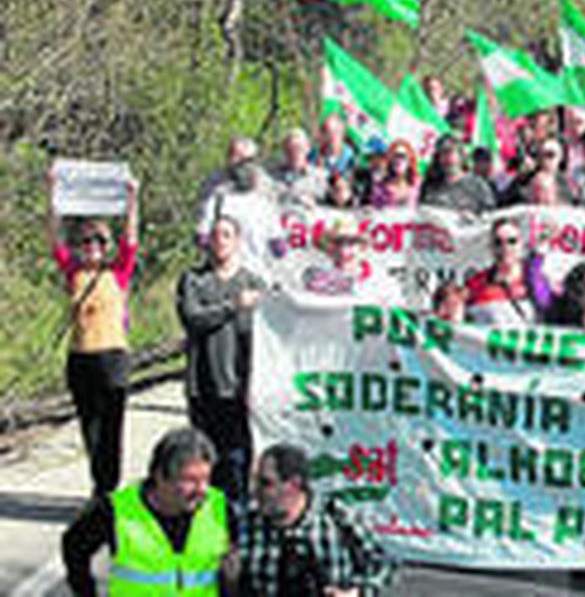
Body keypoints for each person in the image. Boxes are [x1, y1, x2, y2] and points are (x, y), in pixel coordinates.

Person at [46, 168, 139, 497]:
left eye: (98, 242)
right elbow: (54, 240)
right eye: (86, 242)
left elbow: (131, 240)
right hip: (81, 357)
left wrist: (132, 198)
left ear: (105, 246)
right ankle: (99, 483)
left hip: (112, 356)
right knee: (90, 427)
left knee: (112, 427)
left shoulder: (118, 272)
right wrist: (53, 194)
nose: (92, 248)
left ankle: (107, 486)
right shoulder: (73, 272)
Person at [61, 427, 228, 597]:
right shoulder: (115, 511)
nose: (201, 490)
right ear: (160, 476)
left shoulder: (218, 506)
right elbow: (73, 546)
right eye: (190, 480)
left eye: (206, 479)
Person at [176, 215, 267, 511]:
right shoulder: (193, 279)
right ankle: (206, 521)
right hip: (202, 385)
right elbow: (193, 318)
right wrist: (233, 306)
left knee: (237, 460)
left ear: (237, 241)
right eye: (215, 236)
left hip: (239, 387)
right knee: (204, 459)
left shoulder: (253, 282)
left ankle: (237, 526)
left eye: (227, 235)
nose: (220, 242)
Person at [236, 442, 396, 596]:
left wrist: (356, 592)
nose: (255, 491)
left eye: (266, 483)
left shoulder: (336, 516)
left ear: (293, 485)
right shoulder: (246, 523)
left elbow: (383, 562)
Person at [464, 217, 552, 325]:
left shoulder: (536, 282)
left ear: (521, 244)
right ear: (490, 247)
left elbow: (548, 314)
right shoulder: (475, 284)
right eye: (498, 242)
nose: (505, 247)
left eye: (512, 241)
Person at [420, 136, 496, 213]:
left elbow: (489, 214)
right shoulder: (430, 185)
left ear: (461, 155)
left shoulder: (478, 185)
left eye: (449, 152)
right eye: (441, 154)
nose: (445, 158)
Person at [302, 218, 368, 296]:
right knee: (331, 271)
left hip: (342, 267)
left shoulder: (349, 242)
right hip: (333, 264)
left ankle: (342, 285)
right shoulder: (332, 240)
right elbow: (323, 242)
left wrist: (362, 240)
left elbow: (355, 241)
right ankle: (320, 283)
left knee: (343, 273)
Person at [269, 128, 327, 207]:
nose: (294, 153)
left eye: (299, 148)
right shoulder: (272, 175)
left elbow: (328, 207)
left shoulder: (320, 177)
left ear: (308, 148)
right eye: (289, 150)